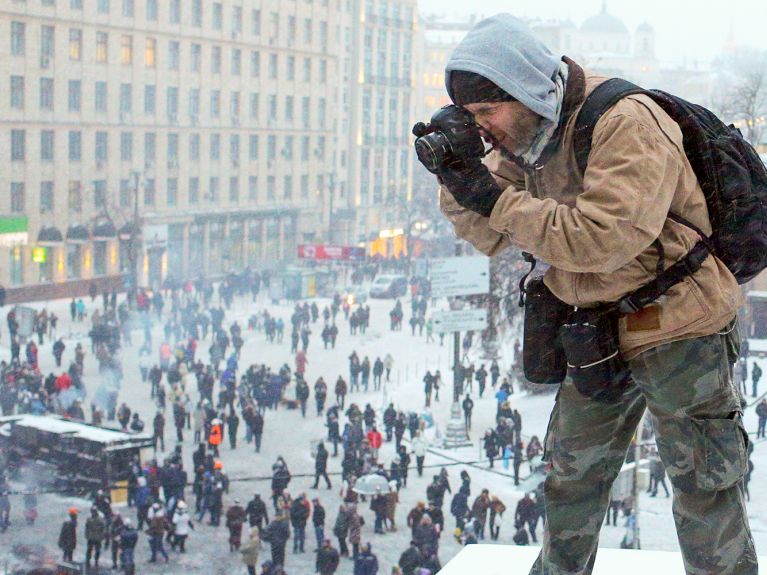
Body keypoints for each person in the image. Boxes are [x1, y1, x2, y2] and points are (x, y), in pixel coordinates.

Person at [427, 13, 757, 575]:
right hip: (596, 327)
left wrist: (495, 198)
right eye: (473, 117)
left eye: (488, 112)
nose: (484, 128)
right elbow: (486, 234)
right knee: (570, 474)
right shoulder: (525, 137)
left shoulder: (626, 121)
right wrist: (459, 174)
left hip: (680, 320)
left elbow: (603, 241)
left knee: (703, 483)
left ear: (524, 90)